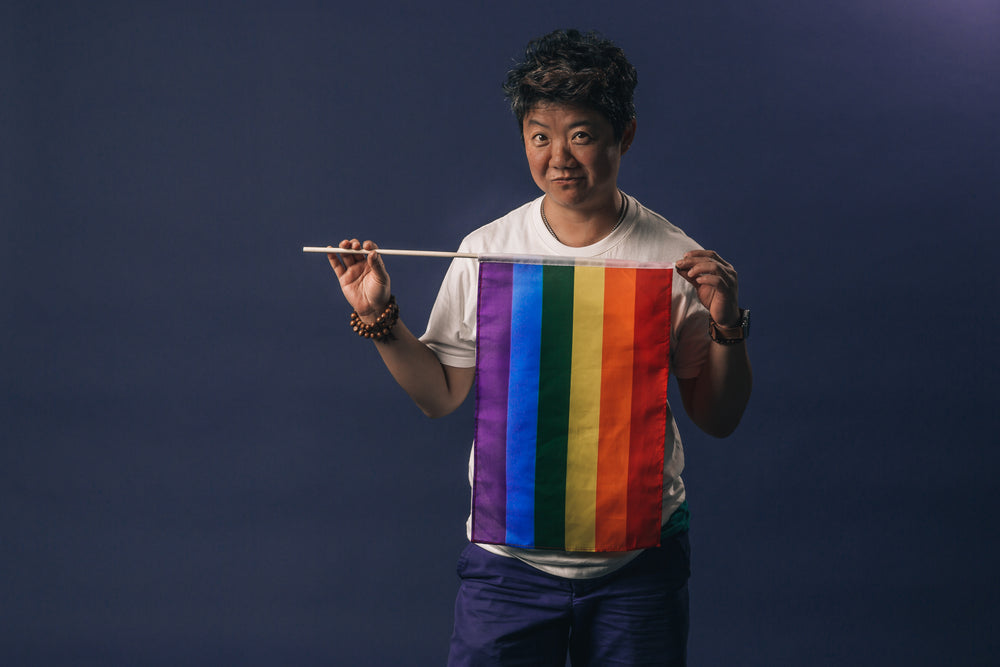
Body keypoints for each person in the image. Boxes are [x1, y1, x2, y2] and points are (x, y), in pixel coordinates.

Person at [328, 28, 752, 667]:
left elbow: (718, 417)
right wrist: (380, 318)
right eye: (539, 136)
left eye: (581, 134)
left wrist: (726, 327)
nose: (559, 158)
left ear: (624, 135)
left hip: (639, 564)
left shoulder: (672, 259)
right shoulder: (488, 249)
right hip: (508, 567)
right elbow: (440, 396)